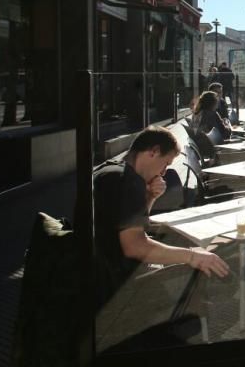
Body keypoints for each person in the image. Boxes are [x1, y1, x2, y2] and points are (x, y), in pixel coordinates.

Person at [93, 127, 230, 308]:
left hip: (100, 277)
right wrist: (191, 257)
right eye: (166, 163)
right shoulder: (129, 181)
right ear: (154, 152)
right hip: (121, 287)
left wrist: (150, 197)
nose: (164, 172)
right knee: (213, 272)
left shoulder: (109, 170)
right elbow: (134, 246)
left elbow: (131, 224)